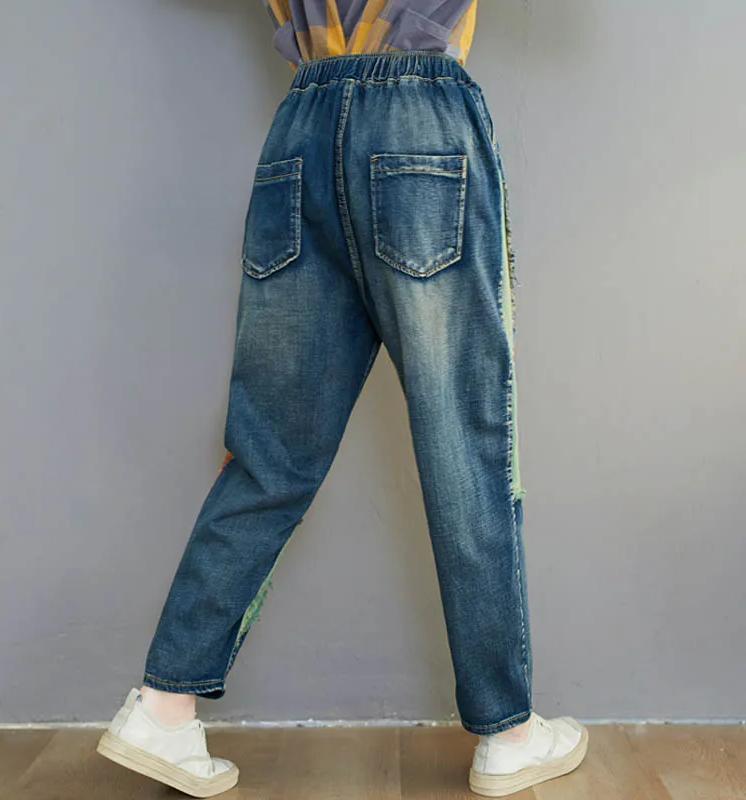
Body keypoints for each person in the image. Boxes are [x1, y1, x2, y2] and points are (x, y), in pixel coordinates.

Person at [96, 2, 588, 797]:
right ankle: (508, 733)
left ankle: (162, 707)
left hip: (303, 124)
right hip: (423, 121)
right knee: (464, 449)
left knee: (268, 458)